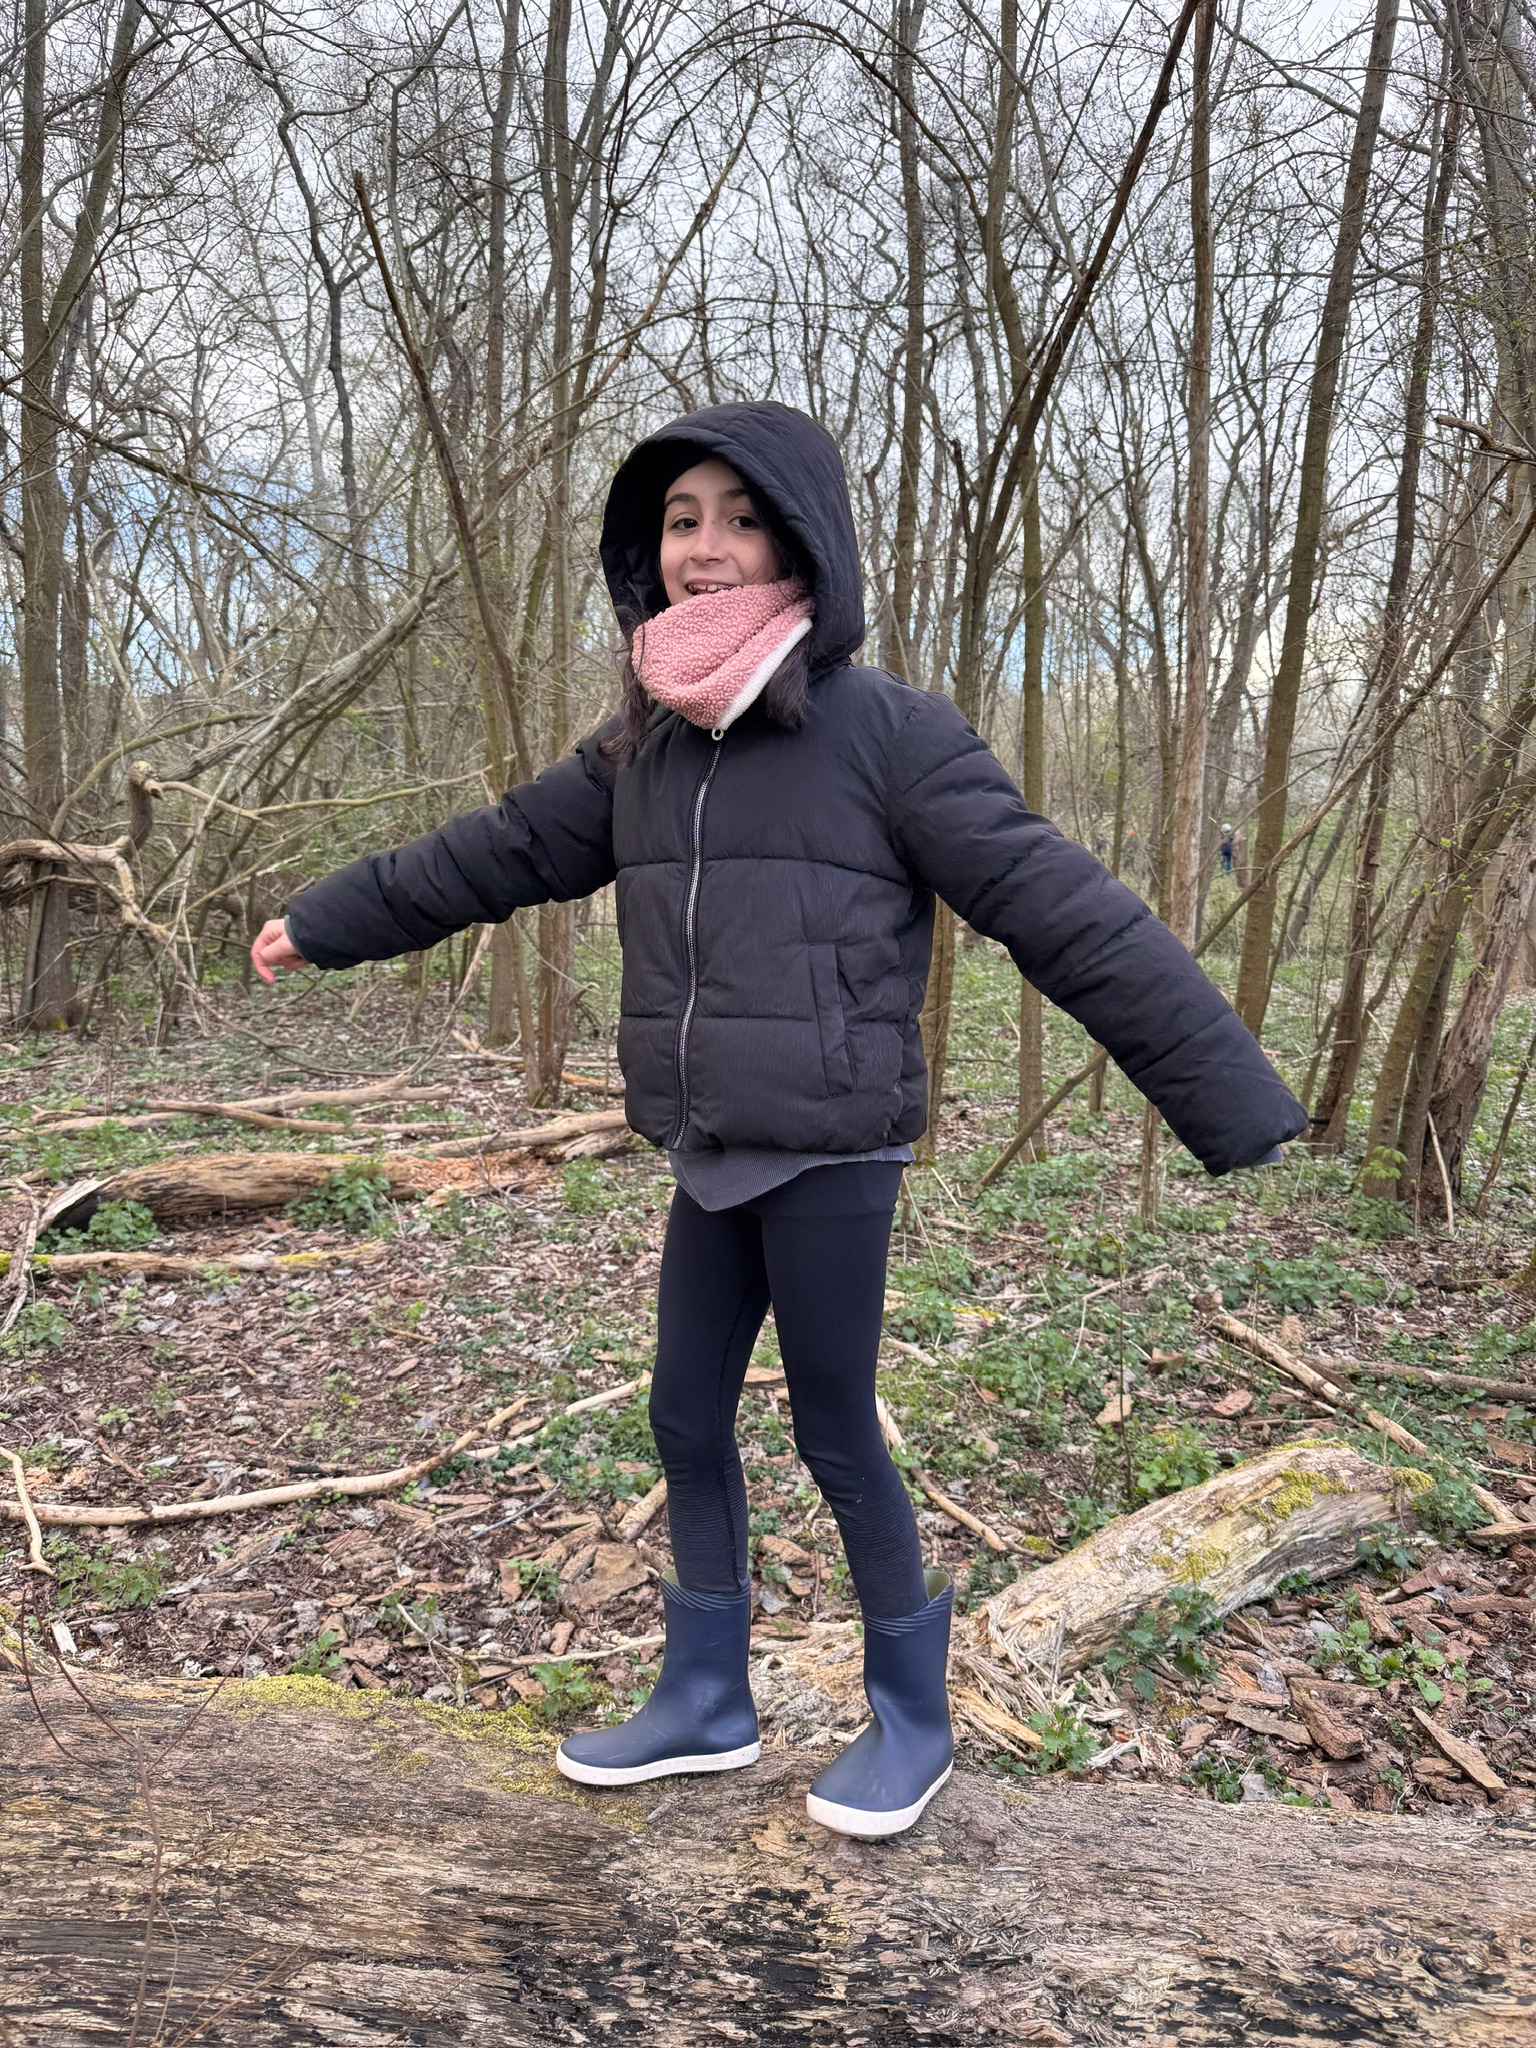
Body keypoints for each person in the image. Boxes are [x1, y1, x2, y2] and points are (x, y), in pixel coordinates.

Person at [251, 402, 1307, 1839]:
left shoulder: (889, 735)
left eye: (739, 518)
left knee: (833, 1428)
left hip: (833, 1145)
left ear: (800, 543)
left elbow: (1063, 908)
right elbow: (487, 855)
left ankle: (912, 1719)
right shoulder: (639, 749)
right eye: (680, 521)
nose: (705, 547)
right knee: (683, 1412)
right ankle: (706, 1698)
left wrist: (1226, 1093)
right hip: (709, 1147)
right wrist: (326, 920)